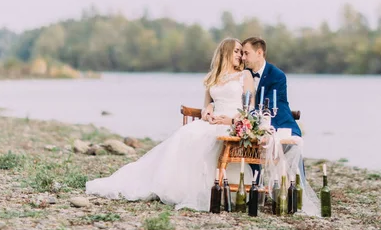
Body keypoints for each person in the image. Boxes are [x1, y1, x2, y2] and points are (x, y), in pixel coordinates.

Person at [85, 38, 254, 211]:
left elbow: (250, 109)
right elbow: (207, 104)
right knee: (185, 134)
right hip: (212, 121)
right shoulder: (213, 76)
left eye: (241, 52)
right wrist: (208, 110)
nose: (240, 55)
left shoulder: (244, 76)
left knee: (207, 139)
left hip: (232, 123)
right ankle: (174, 185)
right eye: (236, 51)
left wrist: (230, 120)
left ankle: (213, 188)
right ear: (225, 52)